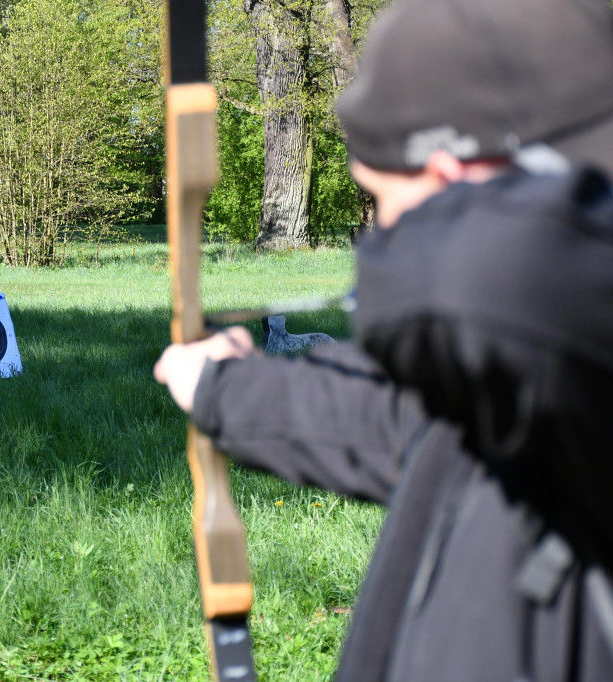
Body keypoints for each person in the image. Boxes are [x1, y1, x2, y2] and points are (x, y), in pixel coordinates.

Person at [153, 0, 613, 680]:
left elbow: (493, 293)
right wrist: (227, 389)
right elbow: (410, 424)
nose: (381, 237)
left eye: (385, 203)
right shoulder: (517, 388)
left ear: (453, 183)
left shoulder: (563, 352)